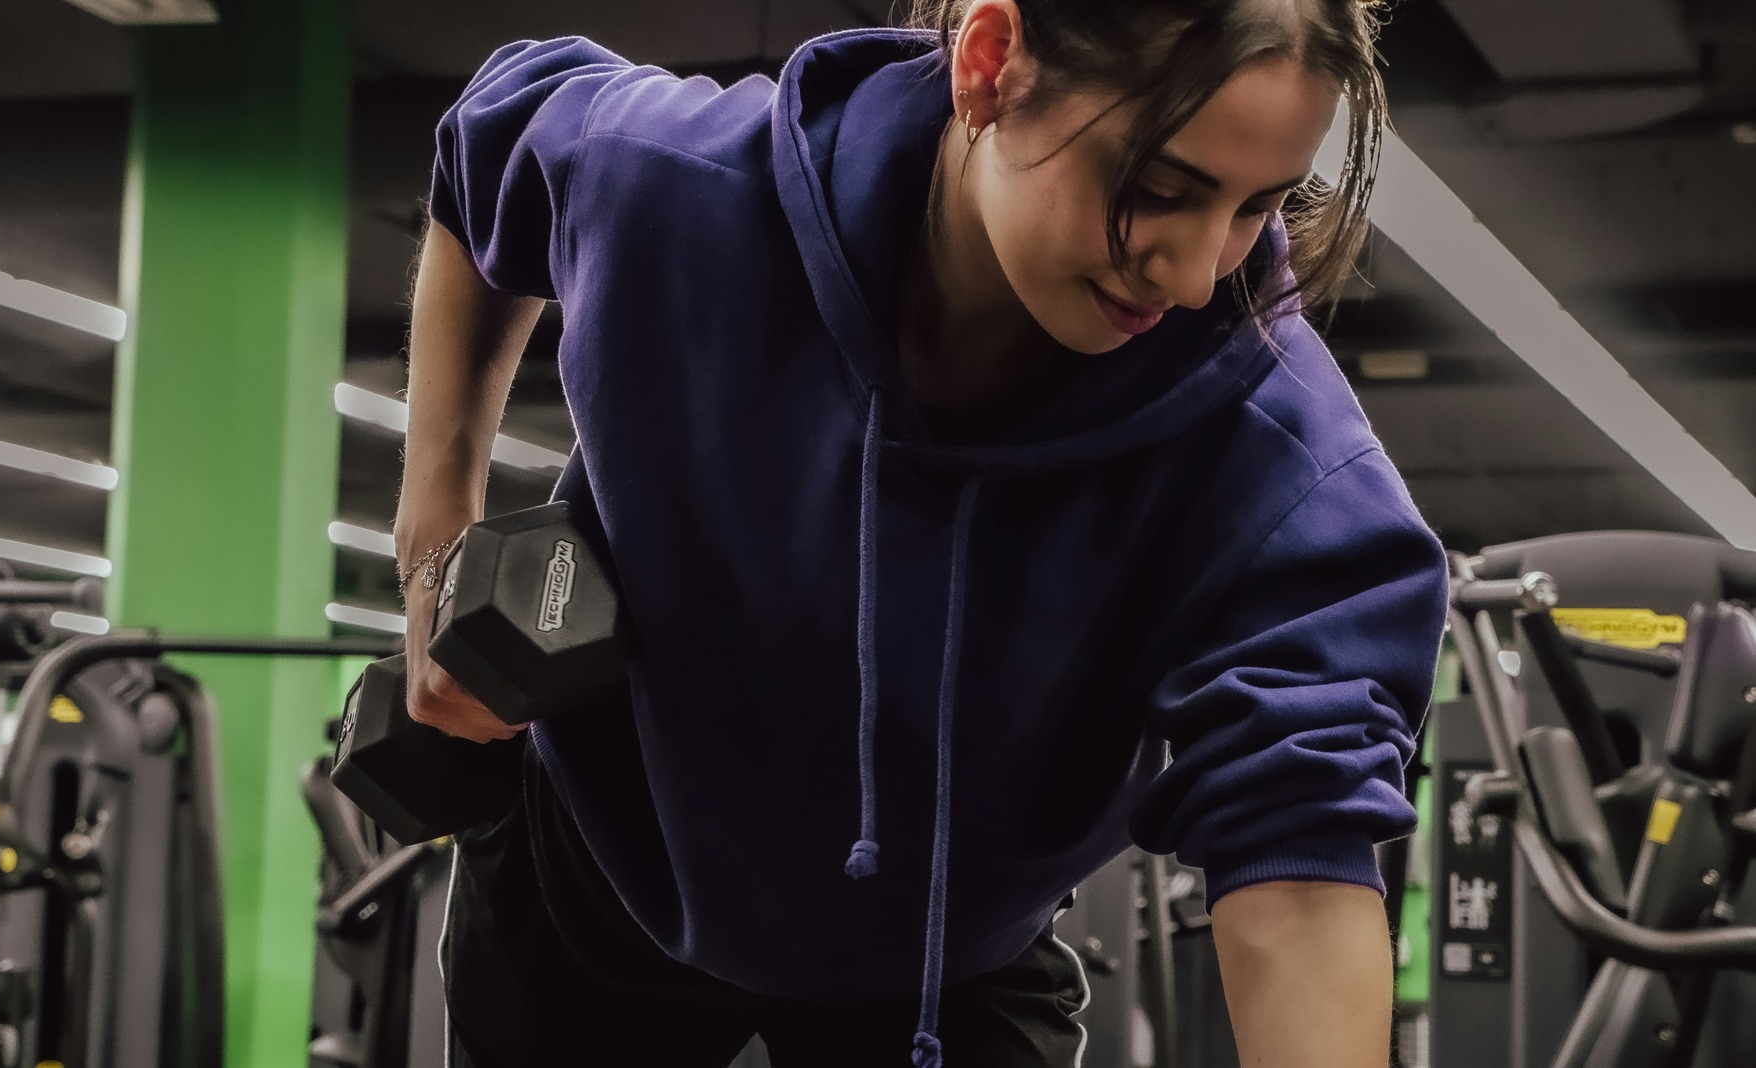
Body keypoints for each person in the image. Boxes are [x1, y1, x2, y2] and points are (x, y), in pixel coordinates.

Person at [396, 0, 1448, 1065]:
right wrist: (437, 542)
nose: (1192, 274)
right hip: (595, 889)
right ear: (991, 64)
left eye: (1255, 210)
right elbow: (490, 143)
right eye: (1161, 191)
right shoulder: (678, 181)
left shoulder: (1278, 452)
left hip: (943, 971)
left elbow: (1299, 846)